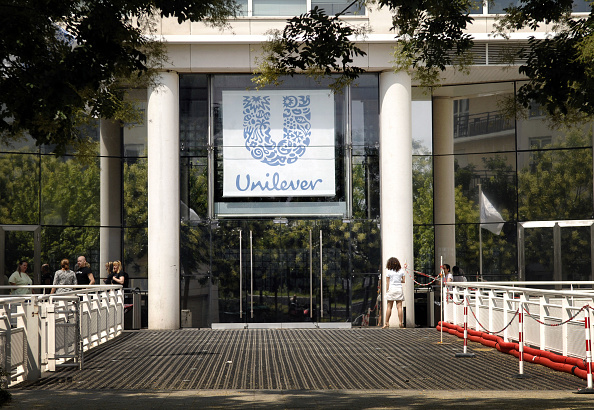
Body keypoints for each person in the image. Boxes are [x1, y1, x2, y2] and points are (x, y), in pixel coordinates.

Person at [383, 257, 405, 329]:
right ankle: (401, 323)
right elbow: (403, 281)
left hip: (391, 289)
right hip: (399, 289)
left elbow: (387, 282)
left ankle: (386, 323)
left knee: (389, 307)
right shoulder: (401, 271)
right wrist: (398, 281)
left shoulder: (389, 271)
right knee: (399, 307)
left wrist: (387, 291)